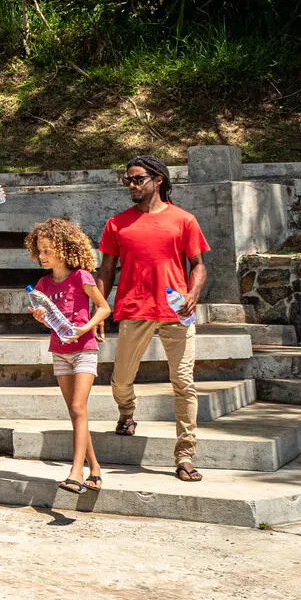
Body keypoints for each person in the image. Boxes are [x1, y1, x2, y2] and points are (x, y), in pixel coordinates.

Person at [98, 155, 211, 482]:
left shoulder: (184, 220)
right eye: (128, 180)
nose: (131, 185)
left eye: (137, 179)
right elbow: (106, 270)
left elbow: (198, 265)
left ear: (158, 179)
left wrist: (193, 294)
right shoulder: (117, 223)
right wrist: (100, 310)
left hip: (177, 311)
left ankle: (186, 455)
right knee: (121, 380)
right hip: (134, 309)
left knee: (184, 383)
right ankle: (127, 413)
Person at [26, 217, 113, 494]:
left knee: (78, 408)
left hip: (84, 349)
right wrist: (42, 319)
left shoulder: (82, 277)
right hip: (60, 352)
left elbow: (104, 309)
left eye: (48, 250)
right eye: (39, 250)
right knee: (77, 413)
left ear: (64, 248)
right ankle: (95, 469)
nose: (42, 256)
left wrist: (84, 328)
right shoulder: (42, 285)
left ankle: (76, 472)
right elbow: (49, 320)